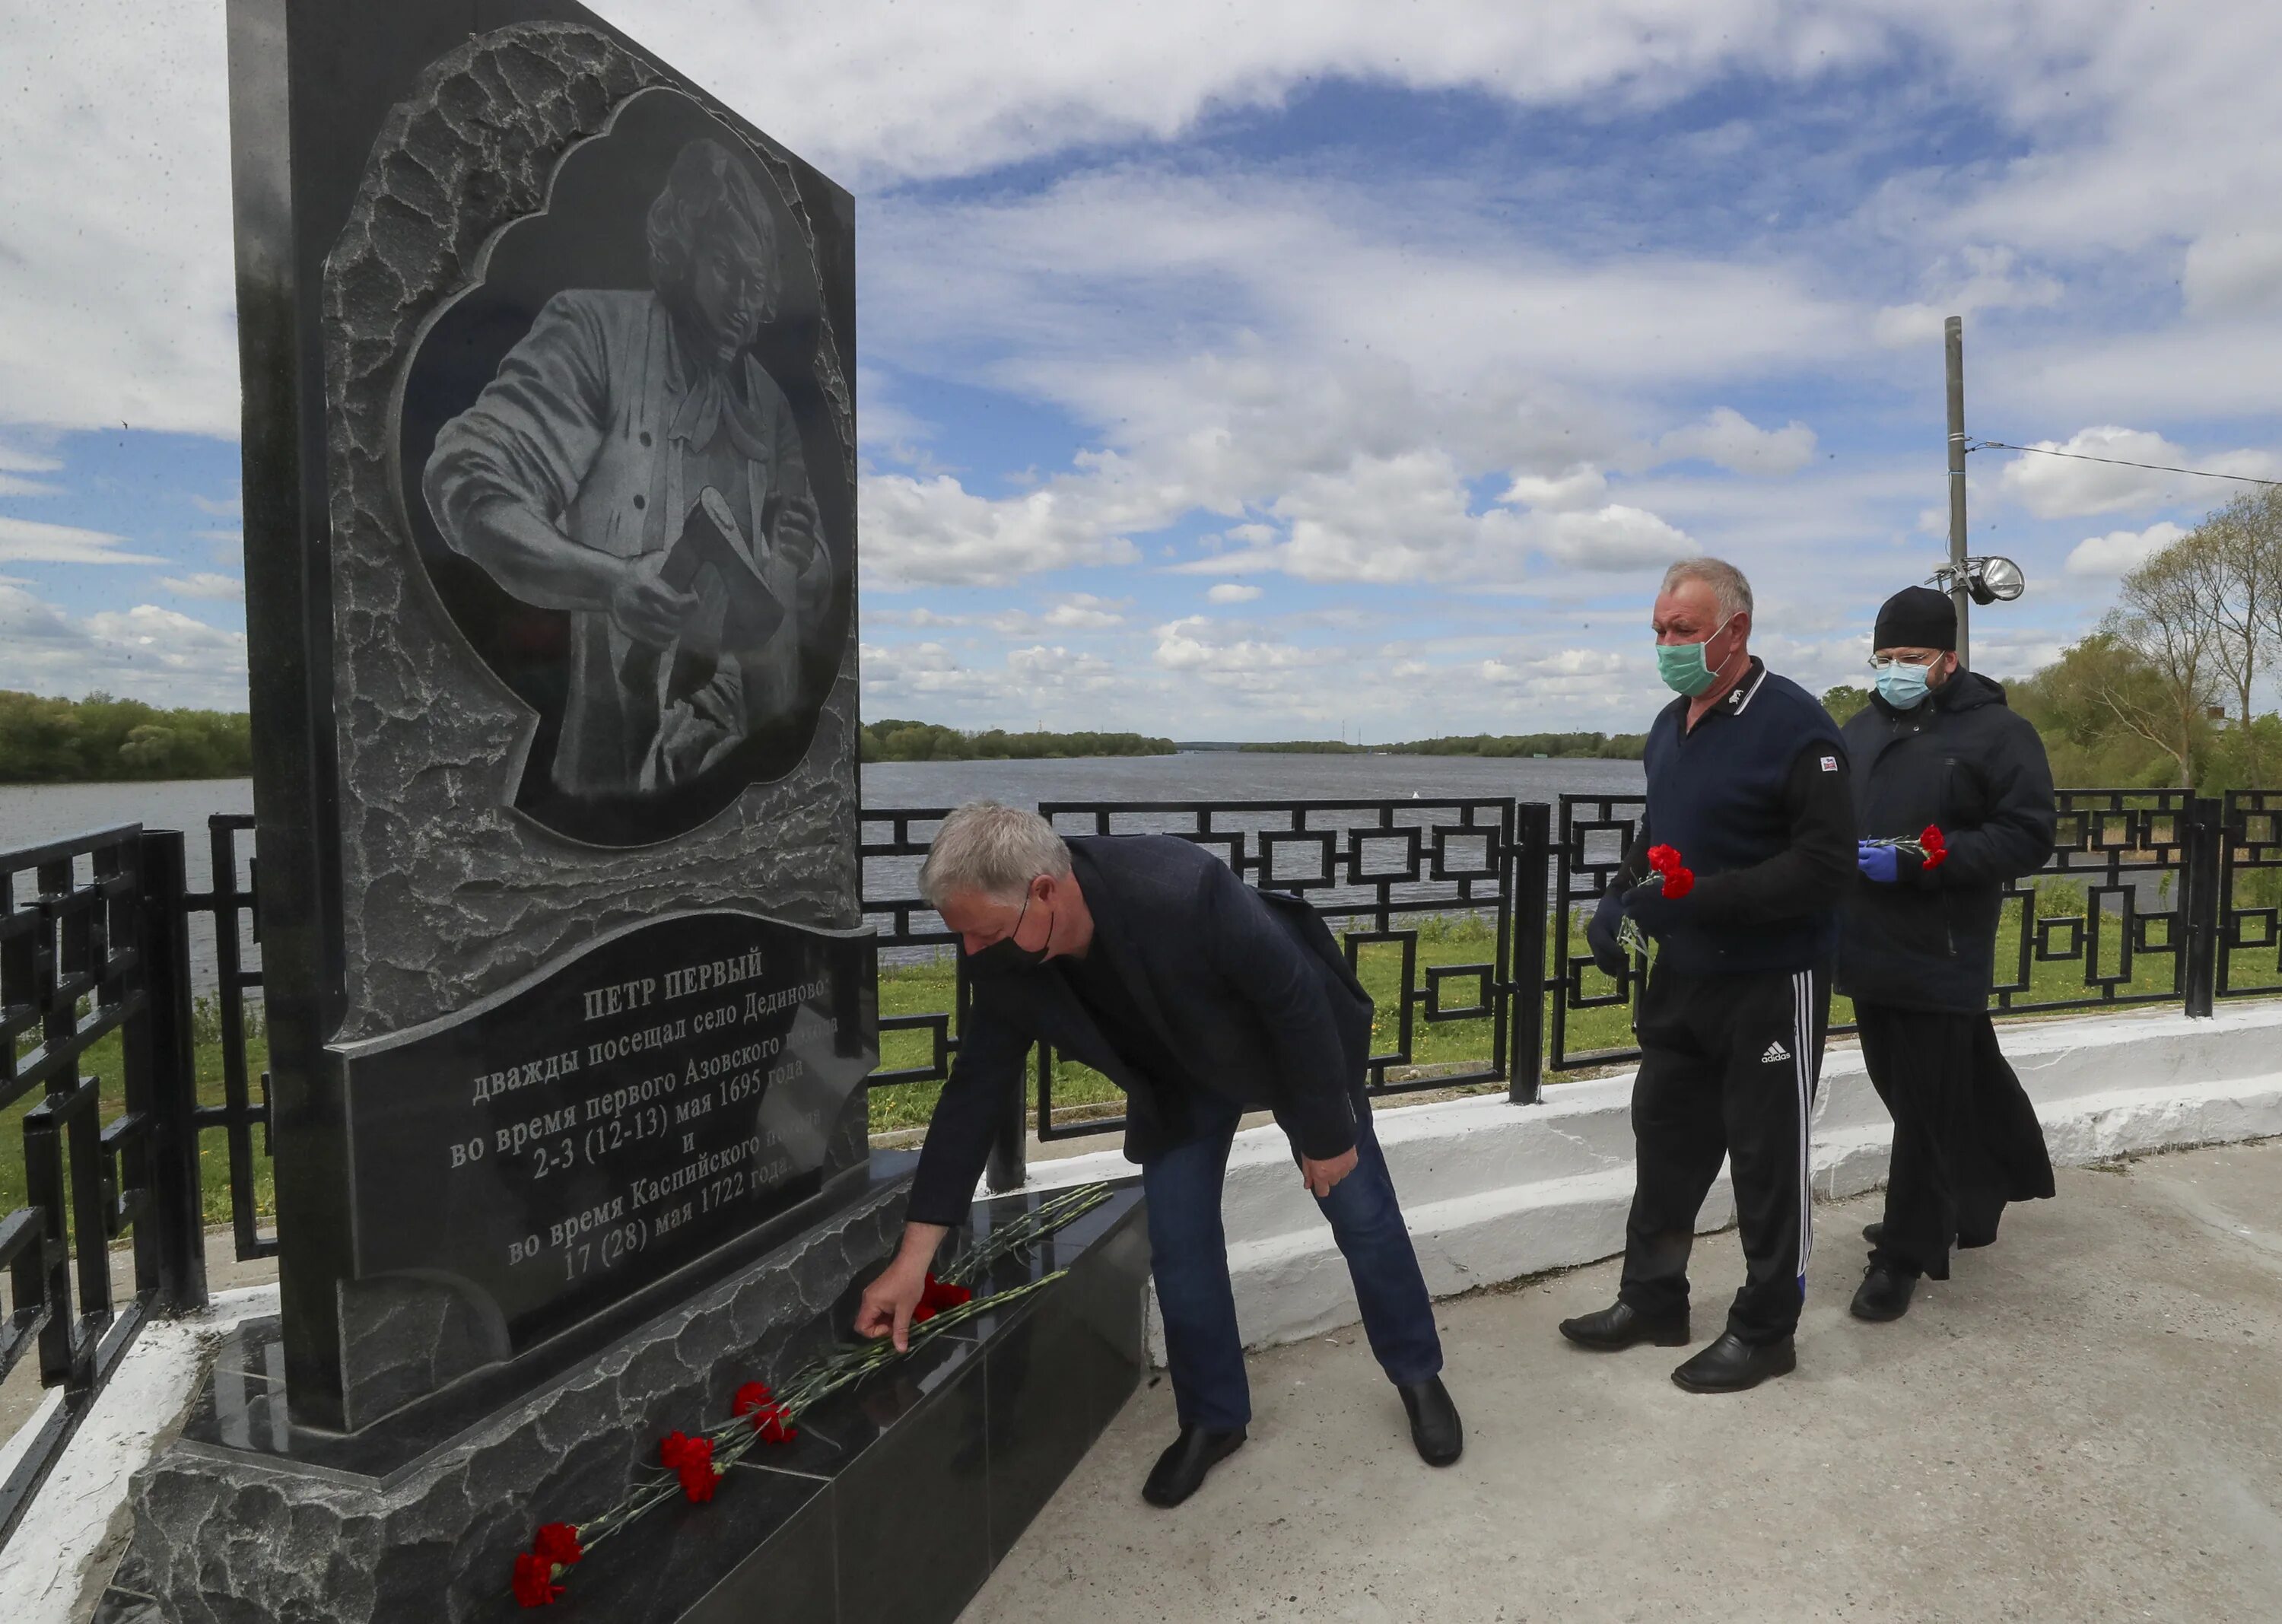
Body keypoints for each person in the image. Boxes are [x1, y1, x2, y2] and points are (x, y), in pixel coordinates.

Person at [855, 802, 1461, 1506]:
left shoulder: (1181, 886)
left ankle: (1418, 1375)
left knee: (1362, 1214)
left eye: (983, 932)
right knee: (1178, 1246)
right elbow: (971, 1099)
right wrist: (911, 1262)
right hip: (1175, 1080)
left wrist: (1327, 1137)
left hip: (1287, 1051)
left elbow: (1294, 1000)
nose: (972, 954)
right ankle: (1214, 1418)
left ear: (1043, 892)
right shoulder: (1005, 959)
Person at [424, 138, 834, 797]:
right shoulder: (593, 332)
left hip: (746, 749)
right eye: (724, 265)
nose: (739, 298)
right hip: (618, 763)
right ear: (683, 251)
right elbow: (470, 480)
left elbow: (813, 589)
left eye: (754, 282)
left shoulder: (773, 405)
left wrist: (799, 551)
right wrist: (611, 583)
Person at [1570, 557, 1854, 1393]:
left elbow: (1828, 866)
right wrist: (1619, 902)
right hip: (1680, 984)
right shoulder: (1669, 723)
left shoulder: (1799, 726)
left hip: (1772, 979)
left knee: (1767, 1159)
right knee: (1664, 1141)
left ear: (1736, 630)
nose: (1666, 644)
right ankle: (1652, 1299)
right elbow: (1659, 834)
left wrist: (1701, 902)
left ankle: (1768, 1328)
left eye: (1683, 631)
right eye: (1659, 629)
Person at [1837, 586, 2057, 1320]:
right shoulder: (1858, 731)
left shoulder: (1999, 733)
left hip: (1942, 948)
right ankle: (1975, 1195)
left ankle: (1902, 1254)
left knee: (1926, 1109)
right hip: (1867, 946)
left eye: (1912, 658)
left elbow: (2027, 835)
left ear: (1949, 658)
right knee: (1918, 1088)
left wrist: (1922, 859)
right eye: (1885, 657)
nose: (1895, 669)